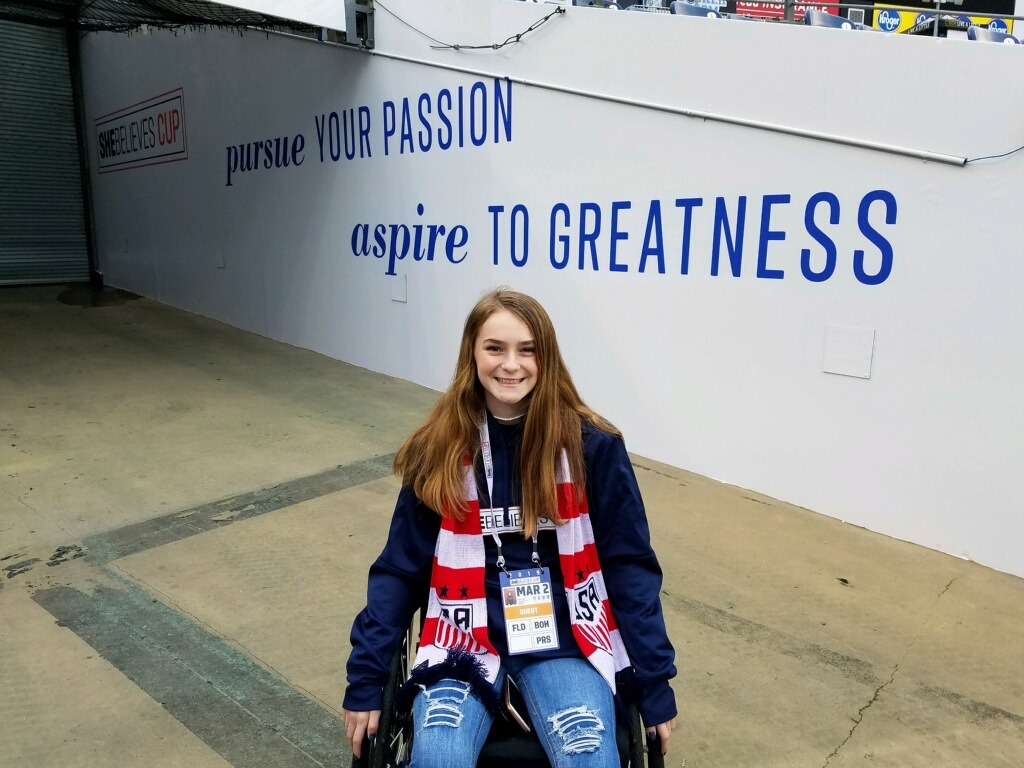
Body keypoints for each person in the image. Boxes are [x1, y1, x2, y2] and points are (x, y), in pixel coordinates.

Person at [343, 288, 677, 767]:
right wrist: (366, 679)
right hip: (461, 643)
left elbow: (629, 568)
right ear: (471, 355)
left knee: (590, 757)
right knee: (438, 757)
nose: (510, 365)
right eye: (494, 348)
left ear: (546, 357)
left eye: (527, 350)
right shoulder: (437, 448)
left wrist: (653, 683)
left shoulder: (592, 447)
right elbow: (399, 570)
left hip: (565, 641)